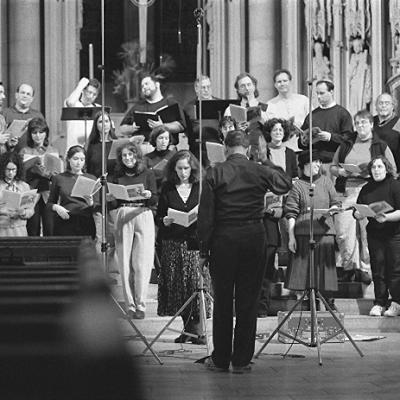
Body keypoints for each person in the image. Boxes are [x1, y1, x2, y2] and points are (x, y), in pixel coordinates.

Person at [198, 130, 292, 373]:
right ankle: (240, 361)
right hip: (253, 237)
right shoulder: (259, 170)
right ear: (248, 148)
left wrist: (203, 251)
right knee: (248, 301)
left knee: (223, 301)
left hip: (224, 239)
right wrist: (263, 161)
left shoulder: (215, 172)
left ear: (226, 148)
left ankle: (220, 359)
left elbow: (206, 216)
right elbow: (285, 183)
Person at [331, 109, 397, 282]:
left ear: (371, 124)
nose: (360, 126)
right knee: (344, 232)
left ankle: (367, 270)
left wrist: (374, 174)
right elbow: (332, 167)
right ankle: (349, 268)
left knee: (368, 232)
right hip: (348, 190)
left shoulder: (380, 145)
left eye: (364, 122)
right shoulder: (346, 144)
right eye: (357, 123)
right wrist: (341, 171)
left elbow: (393, 170)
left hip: (371, 190)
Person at [156, 150, 211, 344]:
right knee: (178, 287)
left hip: (195, 242)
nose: (183, 172)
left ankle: (198, 331)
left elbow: (209, 212)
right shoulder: (167, 188)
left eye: (186, 168)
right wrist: (165, 220)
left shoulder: (200, 187)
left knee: (195, 285)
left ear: (193, 168)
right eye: (179, 168)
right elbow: (159, 215)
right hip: (173, 242)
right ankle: (188, 330)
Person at [284, 150, 341, 309]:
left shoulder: (326, 182)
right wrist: (291, 236)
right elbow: (291, 212)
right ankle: (308, 302)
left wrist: (334, 209)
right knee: (304, 269)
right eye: (314, 161)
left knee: (325, 269)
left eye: (319, 161)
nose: (318, 164)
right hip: (303, 232)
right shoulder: (298, 186)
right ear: (304, 165)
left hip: (325, 231)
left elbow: (336, 202)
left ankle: (328, 302)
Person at [108, 142, 157, 319]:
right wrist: (110, 198)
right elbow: (113, 204)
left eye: (131, 155)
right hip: (124, 213)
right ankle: (130, 304)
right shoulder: (117, 175)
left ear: (137, 156)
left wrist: (149, 196)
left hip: (143, 213)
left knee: (142, 262)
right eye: (124, 156)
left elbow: (154, 199)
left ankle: (141, 305)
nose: (128, 158)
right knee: (124, 261)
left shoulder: (148, 173)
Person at [257, 118, 298, 317]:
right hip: (266, 206)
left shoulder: (290, 154)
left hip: (286, 199)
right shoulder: (262, 158)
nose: (278, 132)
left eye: (281, 130)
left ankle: (291, 282)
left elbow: (291, 178)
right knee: (265, 261)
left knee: (287, 242)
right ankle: (261, 305)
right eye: (275, 130)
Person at [355, 156, 400, 317]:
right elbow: (358, 209)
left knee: (395, 268)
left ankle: (396, 302)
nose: (376, 170)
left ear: (386, 168)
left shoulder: (395, 186)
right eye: (373, 167)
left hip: (394, 233)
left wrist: (387, 217)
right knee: (378, 268)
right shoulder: (366, 188)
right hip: (375, 233)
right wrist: (359, 213)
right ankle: (380, 302)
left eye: (380, 167)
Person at [300, 80, 353, 177]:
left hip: (333, 164)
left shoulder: (342, 114)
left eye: (322, 93)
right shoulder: (312, 115)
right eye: (317, 93)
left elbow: (349, 141)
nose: (319, 97)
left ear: (331, 92)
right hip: (313, 165)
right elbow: (301, 143)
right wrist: (305, 140)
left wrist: (330, 137)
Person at [19, 118, 60, 236]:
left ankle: (50, 254)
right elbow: (20, 174)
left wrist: (47, 173)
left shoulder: (53, 150)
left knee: (50, 228)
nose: (38, 136)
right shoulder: (24, 151)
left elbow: (58, 174)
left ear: (46, 133)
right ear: (30, 134)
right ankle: (32, 255)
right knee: (32, 229)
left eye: (41, 132)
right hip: (32, 192)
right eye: (34, 132)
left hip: (48, 193)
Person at [47, 145, 98, 238]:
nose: (78, 163)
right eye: (75, 159)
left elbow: (97, 206)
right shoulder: (59, 178)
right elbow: (50, 203)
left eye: (82, 160)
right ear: (69, 159)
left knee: (85, 251)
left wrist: (91, 203)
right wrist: (57, 208)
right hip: (65, 218)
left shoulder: (91, 178)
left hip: (85, 220)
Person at [119, 74, 185, 146]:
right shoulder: (137, 107)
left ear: (157, 84)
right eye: (142, 86)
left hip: (166, 148)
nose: (144, 87)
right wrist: (132, 128)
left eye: (147, 84)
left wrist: (162, 126)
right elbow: (122, 128)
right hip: (142, 147)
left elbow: (181, 126)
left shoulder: (171, 103)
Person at [0, 152, 35, 236]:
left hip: (20, 230)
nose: (10, 173)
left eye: (13, 170)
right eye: (8, 169)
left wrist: (23, 212)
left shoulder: (24, 186)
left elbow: (31, 210)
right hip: (2, 229)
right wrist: (4, 211)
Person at [2, 83, 45, 151]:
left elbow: (44, 137)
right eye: (22, 93)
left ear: (32, 99)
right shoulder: (4, 113)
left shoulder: (38, 115)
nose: (25, 96)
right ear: (16, 95)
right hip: (9, 156)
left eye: (28, 94)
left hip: (32, 156)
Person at [64, 77, 101, 150]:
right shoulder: (74, 104)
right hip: (73, 149)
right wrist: (80, 86)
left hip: (91, 149)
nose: (91, 96)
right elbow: (70, 102)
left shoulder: (98, 108)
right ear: (83, 90)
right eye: (89, 92)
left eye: (94, 94)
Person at [144, 125, 176, 194]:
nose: (164, 141)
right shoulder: (147, 158)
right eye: (161, 138)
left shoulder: (174, 156)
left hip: (171, 191)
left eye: (166, 138)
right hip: (154, 191)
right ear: (155, 139)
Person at [373, 93, 400, 171]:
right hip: (373, 169)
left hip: (394, 171)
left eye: (387, 103)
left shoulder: (398, 123)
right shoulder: (370, 122)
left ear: (393, 106)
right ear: (376, 107)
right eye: (380, 103)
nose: (383, 106)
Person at [348, 38, 372, 117]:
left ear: (361, 46)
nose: (355, 48)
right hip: (355, 82)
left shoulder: (364, 55)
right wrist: (354, 66)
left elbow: (367, 71)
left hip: (362, 82)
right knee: (354, 101)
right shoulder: (353, 57)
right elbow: (350, 73)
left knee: (361, 100)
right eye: (354, 47)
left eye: (357, 46)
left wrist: (367, 67)